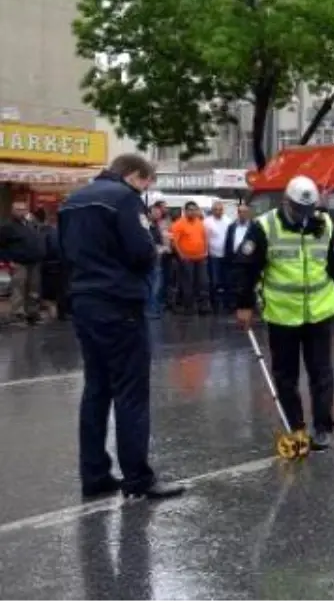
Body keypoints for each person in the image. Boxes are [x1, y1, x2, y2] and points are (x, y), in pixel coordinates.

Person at [59, 153, 184, 501]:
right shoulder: (124, 199)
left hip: (84, 299)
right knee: (130, 391)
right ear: (134, 175)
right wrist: (153, 253)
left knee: (96, 388)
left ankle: (95, 473)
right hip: (118, 302)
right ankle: (138, 479)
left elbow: (62, 251)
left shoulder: (73, 200)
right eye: (147, 183)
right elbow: (141, 252)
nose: (146, 190)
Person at [233, 175, 334, 450]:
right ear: (286, 202)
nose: (304, 216)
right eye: (299, 210)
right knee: (286, 376)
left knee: (321, 373)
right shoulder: (265, 226)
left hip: (319, 312)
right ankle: (296, 428)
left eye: (309, 210)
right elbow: (246, 267)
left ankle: (323, 427)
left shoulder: (323, 224)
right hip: (282, 315)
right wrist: (244, 305)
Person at [0, 201, 47, 325]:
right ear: (12, 211)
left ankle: (32, 313)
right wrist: (8, 260)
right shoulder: (7, 227)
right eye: (18, 209)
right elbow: (1, 245)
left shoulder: (31, 225)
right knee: (19, 289)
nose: (21, 212)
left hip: (35, 261)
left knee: (34, 289)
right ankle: (18, 315)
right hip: (19, 262)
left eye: (23, 209)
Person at [170, 201, 211, 314]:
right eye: (190, 210)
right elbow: (175, 242)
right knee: (188, 283)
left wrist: (205, 251)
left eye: (195, 210)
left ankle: (203, 307)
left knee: (203, 282)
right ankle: (188, 307)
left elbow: (204, 237)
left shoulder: (200, 222)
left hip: (200, 258)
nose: (193, 212)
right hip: (186, 259)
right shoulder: (178, 224)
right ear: (185, 211)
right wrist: (181, 255)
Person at [204, 201, 233, 312]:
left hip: (226, 255)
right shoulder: (207, 222)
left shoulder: (228, 221)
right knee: (214, 281)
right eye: (216, 209)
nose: (218, 212)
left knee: (227, 281)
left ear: (223, 210)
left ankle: (227, 304)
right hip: (213, 255)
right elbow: (205, 238)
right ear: (212, 210)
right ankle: (214, 304)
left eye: (220, 209)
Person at [145, 200, 170, 319]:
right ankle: (150, 310)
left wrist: (164, 247)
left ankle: (154, 308)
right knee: (153, 285)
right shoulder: (145, 226)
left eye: (159, 213)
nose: (158, 215)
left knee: (157, 285)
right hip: (149, 260)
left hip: (158, 259)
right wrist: (159, 248)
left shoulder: (156, 226)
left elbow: (160, 240)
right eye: (155, 213)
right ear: (149, 213)